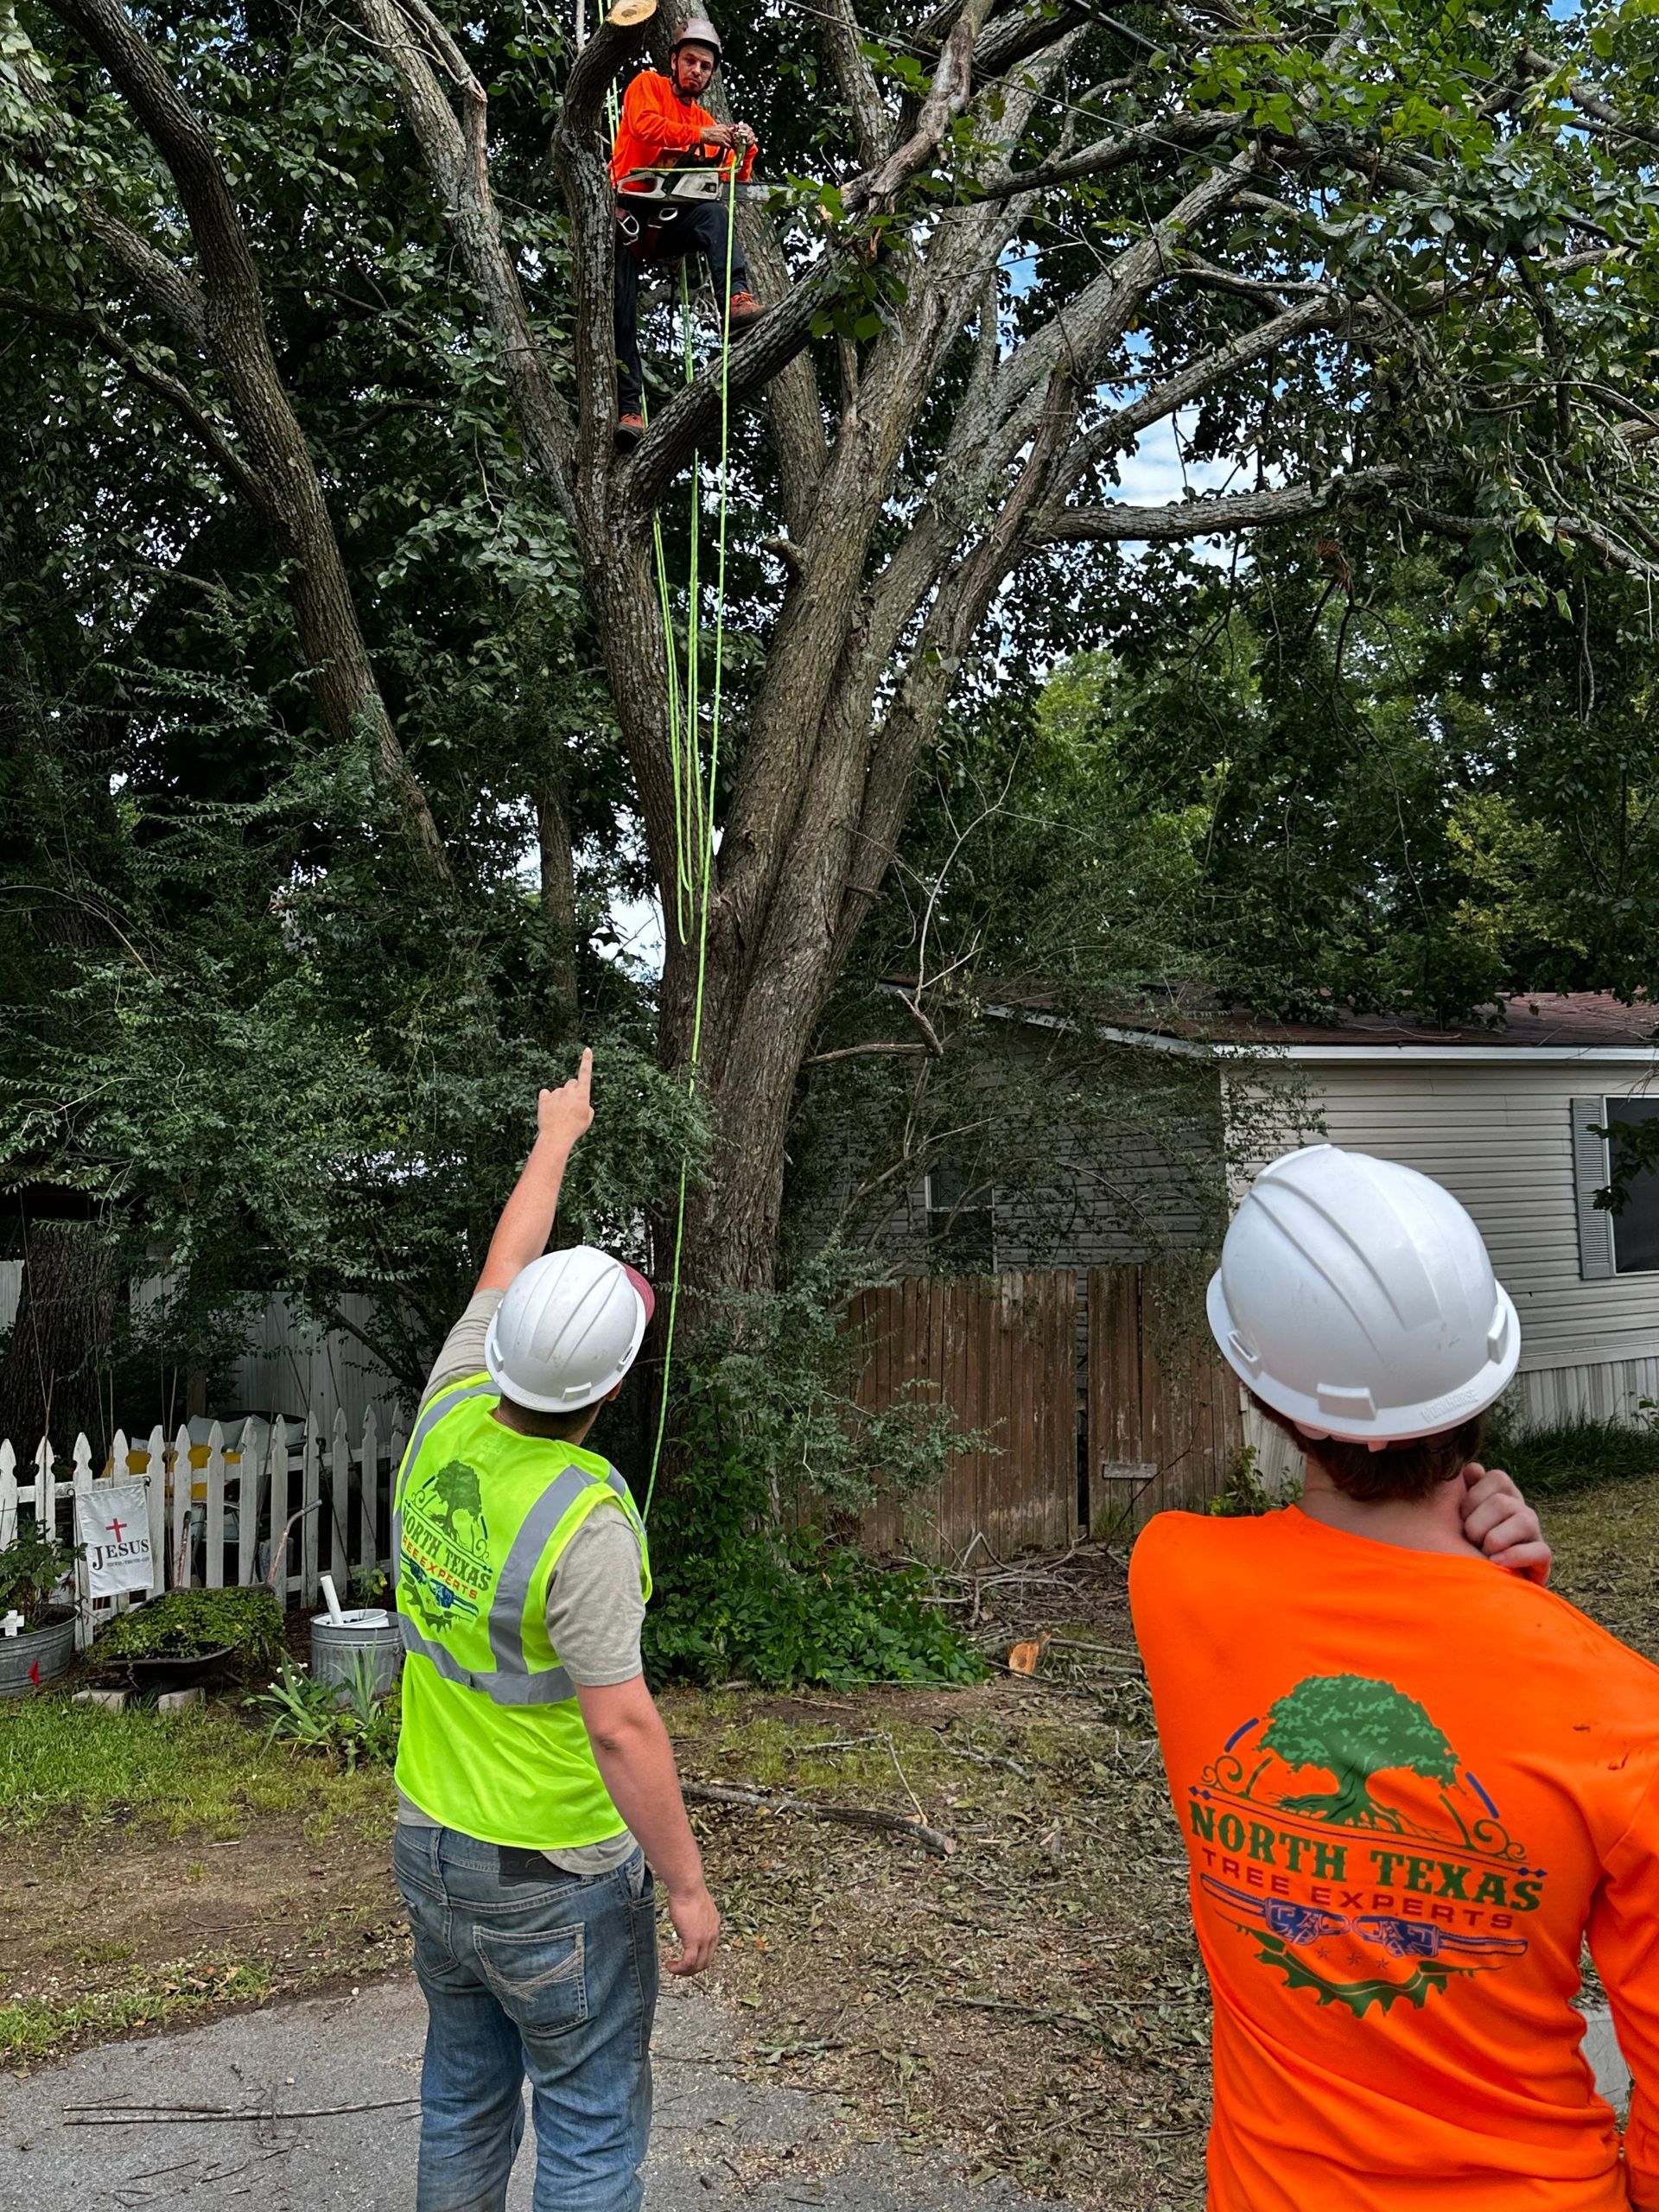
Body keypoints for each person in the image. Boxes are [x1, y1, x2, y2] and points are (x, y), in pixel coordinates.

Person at [1130, 1142, 1659, 2212]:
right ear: (1489, 1370)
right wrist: (1511, 1597)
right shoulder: (1622, 1714)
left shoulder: (1175, 1580)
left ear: (1267, 1391)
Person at [392, 1048, 720, 2212]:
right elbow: (622, 1727)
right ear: (612, 1387)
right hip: (555, 1874)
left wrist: (556, 1136)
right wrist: (684, 1885)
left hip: (429, 1838)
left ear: (507, 1350)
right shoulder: (584, 1518)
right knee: (587, 2125)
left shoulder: (446, 1408)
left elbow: (506, 1262)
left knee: (463, 2095)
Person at [609, 15, 764, 448]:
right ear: (674, 60)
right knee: (622, 317)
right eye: (691, 62)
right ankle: (630, 409)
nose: (696, 71)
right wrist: (701, 132)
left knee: (714, 214)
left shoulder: (709, 121)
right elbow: (644, 127)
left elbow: (729, 180)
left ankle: (735, 298)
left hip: (669, 223)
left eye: (705, 67)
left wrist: (743, 150)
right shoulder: (648, 87)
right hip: (626, 218)